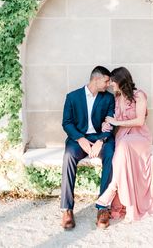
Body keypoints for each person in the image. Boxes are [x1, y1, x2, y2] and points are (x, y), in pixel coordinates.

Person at [96, 66, 153, 223]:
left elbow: (139, 121)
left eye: (112, 81)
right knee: (122, 148)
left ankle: (112, 188)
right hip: (124, 138)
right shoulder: (116, 99)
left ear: (120, 81)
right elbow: (112, 120)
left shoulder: (139, 95)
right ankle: (129, 208)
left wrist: (116, 121)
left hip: (140, 138)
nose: (110, 84)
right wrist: (106, 124)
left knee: (122, 145)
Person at [60, 66, 115, 229]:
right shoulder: (72, 97)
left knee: (111, 154)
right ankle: (67, 209)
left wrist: (102, 140)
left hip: (100, 138)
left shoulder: (108, 98)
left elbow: (111, 120)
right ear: (96, 79)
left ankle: (103, 207)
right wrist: (80, 138)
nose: (109, 84)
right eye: (106, 81)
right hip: (78, 139)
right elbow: (67, 123)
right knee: (68, 156)